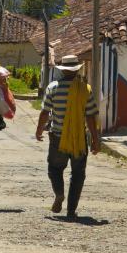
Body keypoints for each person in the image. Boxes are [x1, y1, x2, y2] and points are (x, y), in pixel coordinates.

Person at [35, 54, 100, 221]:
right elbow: (91, 116)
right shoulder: (85, 89)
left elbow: (45, 112)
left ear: (62, 70)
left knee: (54, 168)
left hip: (58, 136)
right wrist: (95, 139)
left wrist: (39, 130)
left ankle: (59, 194)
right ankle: (71, 211)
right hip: (79, 138)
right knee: (78, 174)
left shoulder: (53, 88)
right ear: (76, 69)